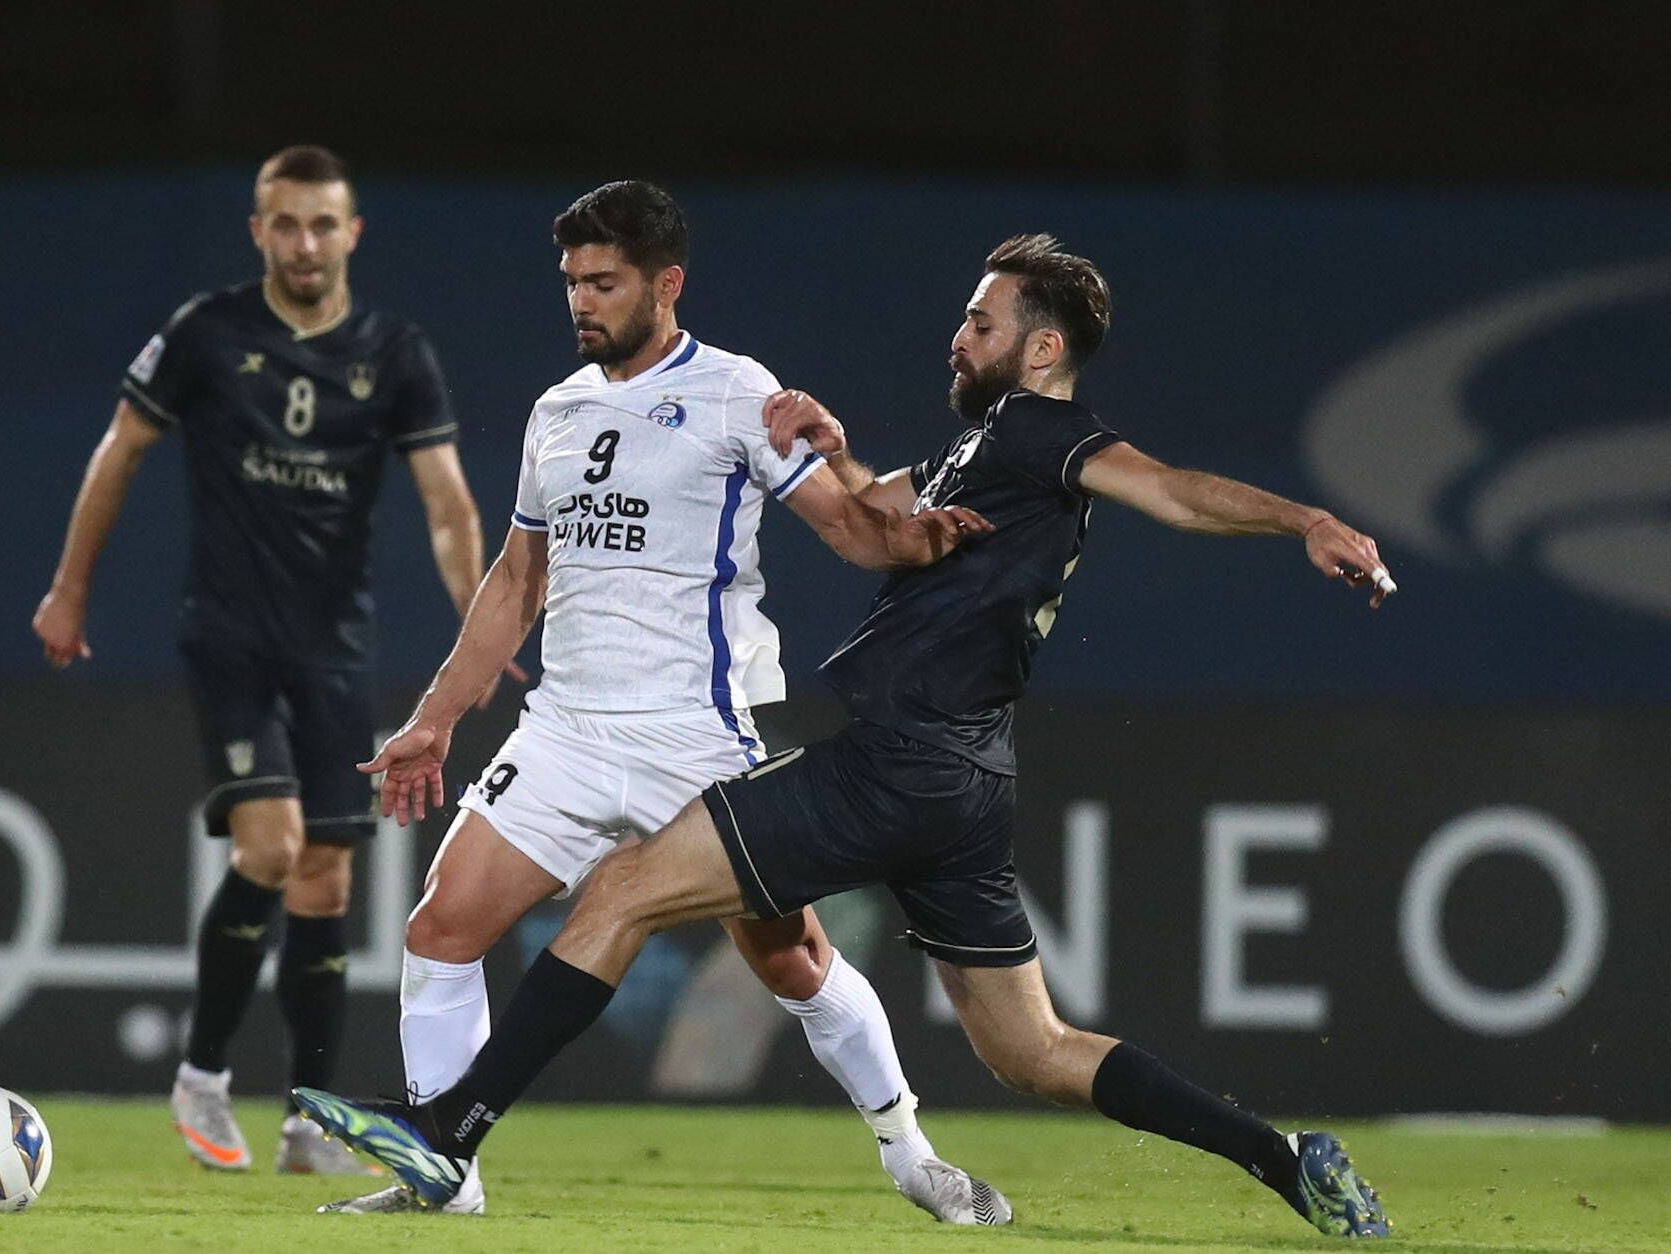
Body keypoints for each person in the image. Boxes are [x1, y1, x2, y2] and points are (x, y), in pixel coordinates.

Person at [293, 234, 1397, 1238]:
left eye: (980, 320)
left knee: (622, 891)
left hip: (899, 762)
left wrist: (1303, 519)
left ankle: (450, 1133)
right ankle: (1285, 1161)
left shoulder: (1050, 433)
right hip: (966, 780)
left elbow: (1171, 491)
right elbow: (877, 515)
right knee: (1032, 1053)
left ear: (1041, 344)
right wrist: (832, 443)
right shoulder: (989, 448)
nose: (958, 336)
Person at [319, 180, 1006, 1223]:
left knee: (790, 960)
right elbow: (515, 584)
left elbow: (855, 534)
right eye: (570, 284)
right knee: (440, 928)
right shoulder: (556, 411)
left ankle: (908, 1153)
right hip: (564, 728)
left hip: (696, 734)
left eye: (603, 283)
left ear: (665, 283)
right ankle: (440, 1174)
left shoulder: (737, 393)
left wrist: (887, 501)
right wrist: (435, 718)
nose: (581, 303)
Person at [32, 144, 510, 1175]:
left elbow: (447, 506)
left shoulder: (393, 350)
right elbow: (119, 449)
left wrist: (485, 621)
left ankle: (306, 1119)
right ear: (258, 231)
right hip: (230, 632)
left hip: (333, 645)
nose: (303, 243)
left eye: (321, 224)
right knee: (268, 846)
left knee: (327, 878)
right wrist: (70, 587)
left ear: (352, 233)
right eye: (283, 224)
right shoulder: (208, 332)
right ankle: (202, 1075)